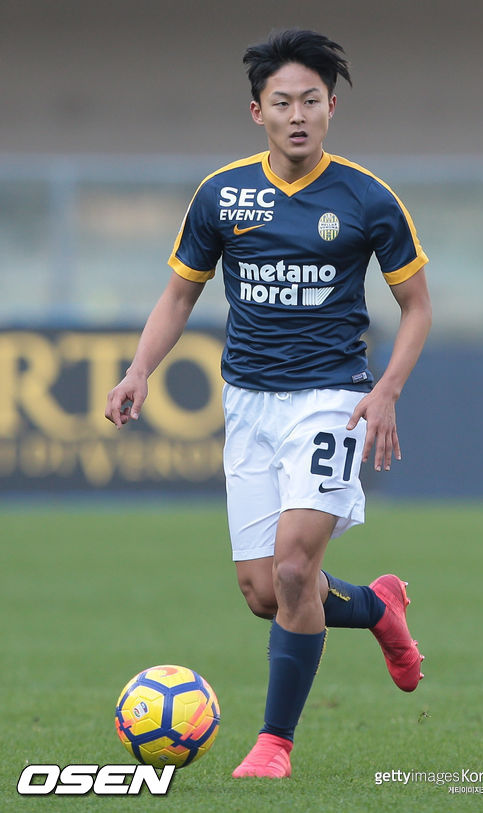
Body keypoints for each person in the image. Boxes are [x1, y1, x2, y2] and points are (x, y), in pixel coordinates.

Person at [105, 29, 432, 779]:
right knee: (264, 591)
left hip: (331, 401)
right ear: (258, 112)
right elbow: (180, 293)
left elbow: (416, 305)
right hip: (248, 404)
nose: (297, 115)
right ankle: (378, 608)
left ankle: (273, 745)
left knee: (292, 569)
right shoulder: (222, 194)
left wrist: (385, 389)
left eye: (310, 101)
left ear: (331, 107)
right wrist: (139, 369)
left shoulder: (367, 197)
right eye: (282, 102)